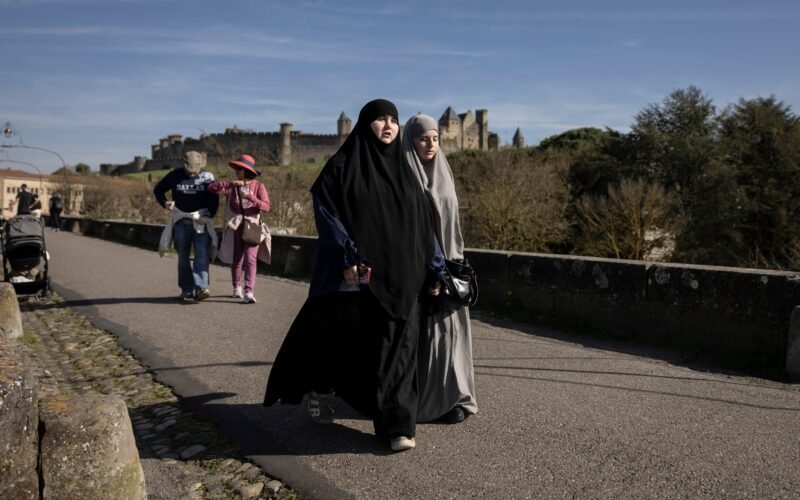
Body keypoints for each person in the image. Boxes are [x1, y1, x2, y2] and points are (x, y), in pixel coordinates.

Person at [264, 99, 442, 452]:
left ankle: (398, 428)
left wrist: (435, 267)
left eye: (393, 119)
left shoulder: (407, 172)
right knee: (350, 346)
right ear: (363, 125)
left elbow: (425, 227)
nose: (389, 126)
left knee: (401, 352)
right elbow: (328, 215)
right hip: (359, 277)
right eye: (380, 119)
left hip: (405, 277)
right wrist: (347, 254)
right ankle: (322, 387)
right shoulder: (341, 167)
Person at [403, 114, 478, 424]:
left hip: (450, 266)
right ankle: (430, 401)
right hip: (425, 268)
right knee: (430, 336)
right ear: (411, 141)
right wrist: (431, 270)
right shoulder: (406, 177)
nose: (431, 144)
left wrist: (453, 265)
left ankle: (456, 396)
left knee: (452, 333)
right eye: (423, 139)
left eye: (435, 138)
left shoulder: (443, 172)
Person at [153, 151, 219, 303]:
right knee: (183, 258)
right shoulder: (174, 175)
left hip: (200, 222)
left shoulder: (208, 177)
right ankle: (186, 290)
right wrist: (165, 203)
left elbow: (214, 199)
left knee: (201, 254)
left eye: (195, 170)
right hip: (181, 223)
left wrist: (208, 216)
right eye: (189, 170)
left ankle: (202, 288)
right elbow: (158, 190)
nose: (192, 173)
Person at [208, 154, 271, 304]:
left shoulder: (258, 186)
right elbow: (211, 188)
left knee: (250, 258)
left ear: (246, 170)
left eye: (239, 169)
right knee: (237, 259)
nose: (236, 171)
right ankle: (237, 287)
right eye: (236, 168)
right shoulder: (233, 186)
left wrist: (250, 197)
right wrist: (229, 185)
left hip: (253, 226)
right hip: (236, 226)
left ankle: (249, 291)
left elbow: (266, 207)